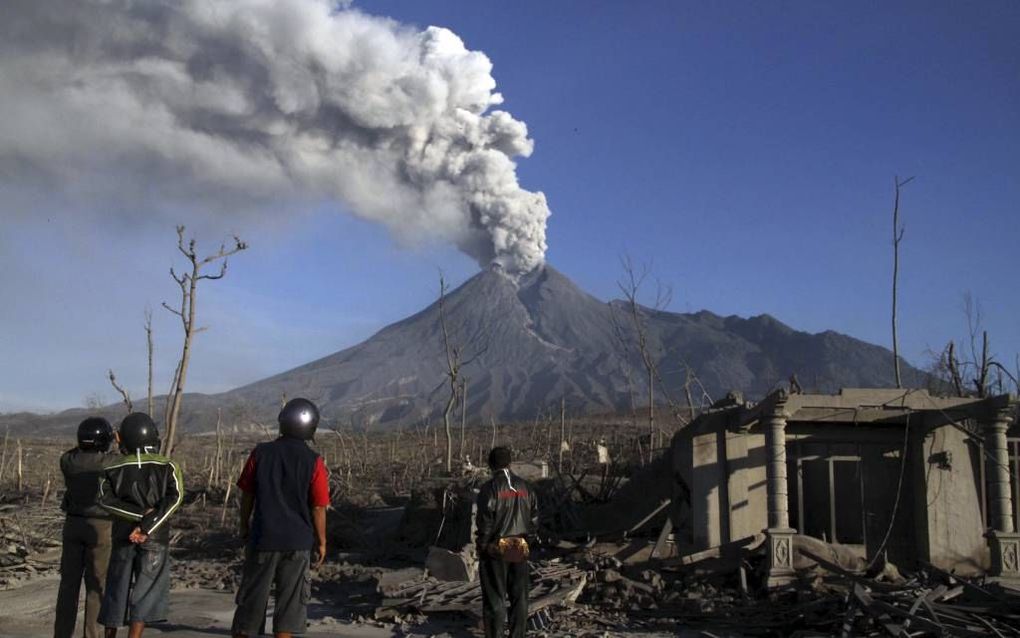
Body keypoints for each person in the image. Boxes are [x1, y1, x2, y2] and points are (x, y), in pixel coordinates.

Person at [231, 398, 330, 638]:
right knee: (290, 608)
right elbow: (318, 507)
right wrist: (322, 541)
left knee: (251, 606)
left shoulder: (260, 453)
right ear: (311, 428)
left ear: (283, 422)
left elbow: (247, 496)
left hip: (263, 538)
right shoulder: (313, 461)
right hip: (297, 543)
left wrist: (244, 526)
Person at [97, 413, 183, 638]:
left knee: (116, 589)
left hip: (123, 536)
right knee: (146, 594)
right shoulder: (168, 466)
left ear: (122, 438)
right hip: (154, 539)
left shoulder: (112, 468)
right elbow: (176, 497)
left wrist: (136, 517)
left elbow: (104, 500)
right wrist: (147, 525)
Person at [54, 416, 116, 638]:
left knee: (68, 586)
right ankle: (92, 635)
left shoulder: (68, 461)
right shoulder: (110, 463)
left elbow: (73, 452)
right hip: (101, 526)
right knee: (96, 586)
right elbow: (123, 460)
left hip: (72, 524)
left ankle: (61, 634)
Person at [475, 446, 539, 638]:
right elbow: (534, 519)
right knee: (519, 596)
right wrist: (528, 542)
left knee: (495, 597)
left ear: (490, 465)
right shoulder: (526, 487)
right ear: (510, 463)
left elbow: (485, 521)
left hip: (496, 545)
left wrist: (483, 545)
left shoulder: (489, 489)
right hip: (519, 543)